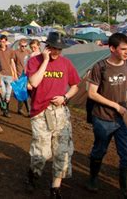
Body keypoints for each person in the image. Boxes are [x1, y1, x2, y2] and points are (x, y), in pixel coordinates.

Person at [25, 32, 80, 198]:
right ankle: (33, 174)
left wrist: (65, 97)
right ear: (47, 47)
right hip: (41, 112)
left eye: (60, 49)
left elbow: (75, 85)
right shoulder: (35, 61)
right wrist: (46, 61)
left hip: (60, 112)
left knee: (63, 151)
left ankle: (55, 188)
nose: (57, 52)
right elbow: (33, 82)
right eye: (54, 48)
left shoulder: (66, 63)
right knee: (42, 153)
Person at [86, 33, 127, 197]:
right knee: (99, 150)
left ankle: (126, 193)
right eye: (123, 49)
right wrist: (115, 105)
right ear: (112, 48)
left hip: (124, 118)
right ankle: (93, 178)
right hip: (103, 118)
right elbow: (92, 94)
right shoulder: (100, 67)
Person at [0, 35, 18, 117]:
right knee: (3, 92)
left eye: (4, 41)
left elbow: (12, 63)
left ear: (6, 42)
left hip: (9, 75)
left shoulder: (10, 51)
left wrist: (15, 74)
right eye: (1, 41)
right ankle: (3, 108)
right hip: (0, 74)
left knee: (8, 93)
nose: (2, 43)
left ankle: (6, 109)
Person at [14, 38, 31, 117]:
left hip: (27, 75)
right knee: (22, 93)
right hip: (19, 75)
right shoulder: (16, 53)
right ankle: (28, 110)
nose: (23, 47)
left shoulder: (28, 52)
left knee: (24, 93)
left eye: (25, 46)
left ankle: (20, 109)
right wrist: (14, 74)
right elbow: (12, 64)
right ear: (19, 46)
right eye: (22, 46)